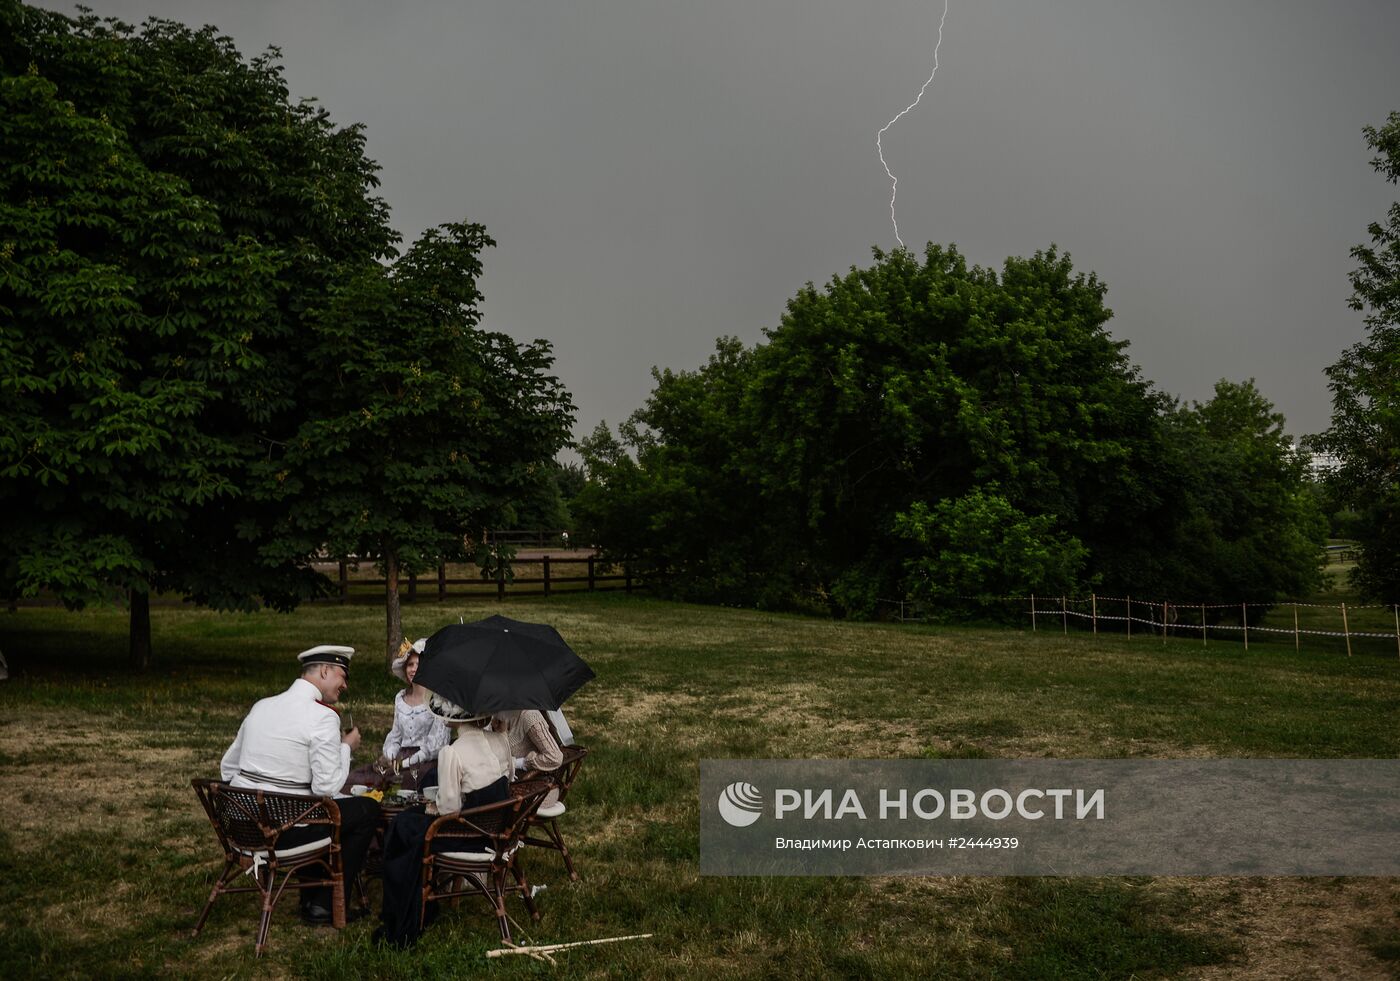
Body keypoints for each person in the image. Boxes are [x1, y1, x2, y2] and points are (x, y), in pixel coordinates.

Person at [220, 644, 379, 926]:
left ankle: (312, 896)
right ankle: (325, 902)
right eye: (343, 675)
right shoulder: (323, 716)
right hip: (279, 837)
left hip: (242, 829)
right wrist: (346, 747)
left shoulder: (262, 706)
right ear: (325, 670)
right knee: (366, 810)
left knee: (312, 811)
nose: (345, 684)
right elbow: (326, 787)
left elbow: (227, 768)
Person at [375, 691, 511, 947]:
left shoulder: (452, 751)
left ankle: (405, 909)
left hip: (467, 835)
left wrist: (433, 806)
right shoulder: (501, 740)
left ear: (452, 716)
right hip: (498, 829)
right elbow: (507, 782)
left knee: (403, 826)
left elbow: (449, 809)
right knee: (410, 819)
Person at [381, 639, 449, 782]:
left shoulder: (438, 700)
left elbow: (436, 745)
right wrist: (391, 756)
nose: (413, 669)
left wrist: (404, 764)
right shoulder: (400, 698)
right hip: (400, 759)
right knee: (368, 777)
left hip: (427, 763)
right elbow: (395, 735)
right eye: (410, 665)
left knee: (403, 781)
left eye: (418, 665)